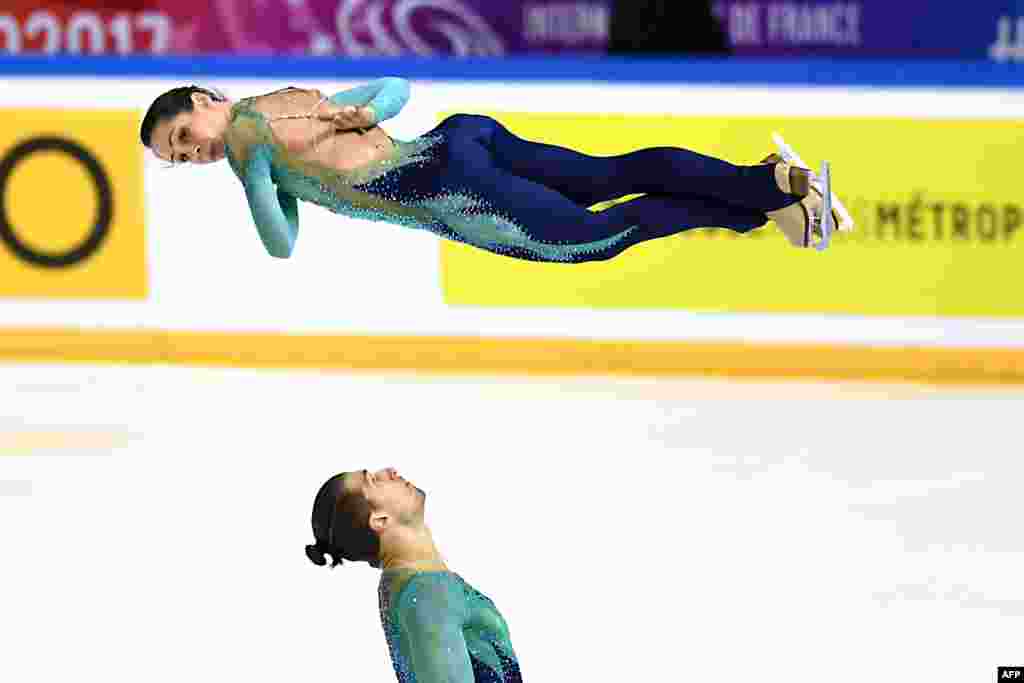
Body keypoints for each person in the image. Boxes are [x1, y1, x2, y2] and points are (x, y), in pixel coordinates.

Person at [139, 77, 846, 262]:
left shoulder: (247, 146)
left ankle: (767, 197)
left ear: (207, 101)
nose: (188, 152)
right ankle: (770, 189)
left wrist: (252, 173)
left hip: (449, 191)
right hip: (457, 140)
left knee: (599, 235)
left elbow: (278, 243)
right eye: (177, 157)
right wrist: (363, 114)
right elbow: (392, 92)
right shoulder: (282, 101)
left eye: (181, 134)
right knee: (609, 173)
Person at [305, 468, 523, 683]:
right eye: (373, 480)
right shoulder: (427, 592)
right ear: (379, 519)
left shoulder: (408, 584)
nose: (388, 471)